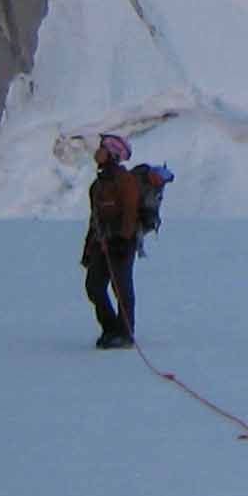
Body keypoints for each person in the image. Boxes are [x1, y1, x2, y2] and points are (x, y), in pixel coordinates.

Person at [84, 132, 171, 348]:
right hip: (101, 242)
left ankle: (124, 333)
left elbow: (130, 212)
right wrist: (88, 249)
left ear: (112, 154)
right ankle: (111, 329)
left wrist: (124, 239)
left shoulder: (126, 181)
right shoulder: (98, 184)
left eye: (102, 148)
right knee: (94, 286)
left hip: (122, 242)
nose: (97, 152)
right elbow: (94, 218)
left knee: (121, 288)